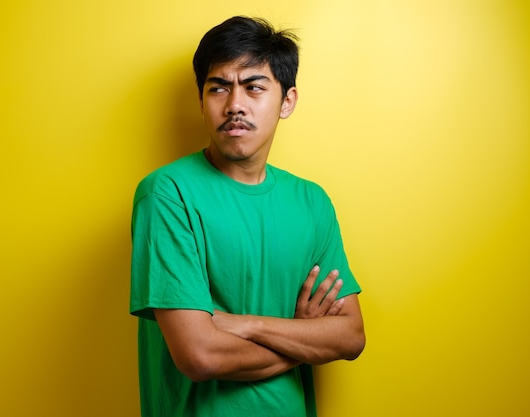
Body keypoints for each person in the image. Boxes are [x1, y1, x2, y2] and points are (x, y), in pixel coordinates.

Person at [130, 16, 365, 417]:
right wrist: (302, 335)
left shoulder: (312, 201)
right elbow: (199, 354)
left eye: (254, 87)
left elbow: (350, 337)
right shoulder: (167, 194)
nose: (235, 104)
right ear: (201, 100)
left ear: (287, 101)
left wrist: (242, 324)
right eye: (218, 87)